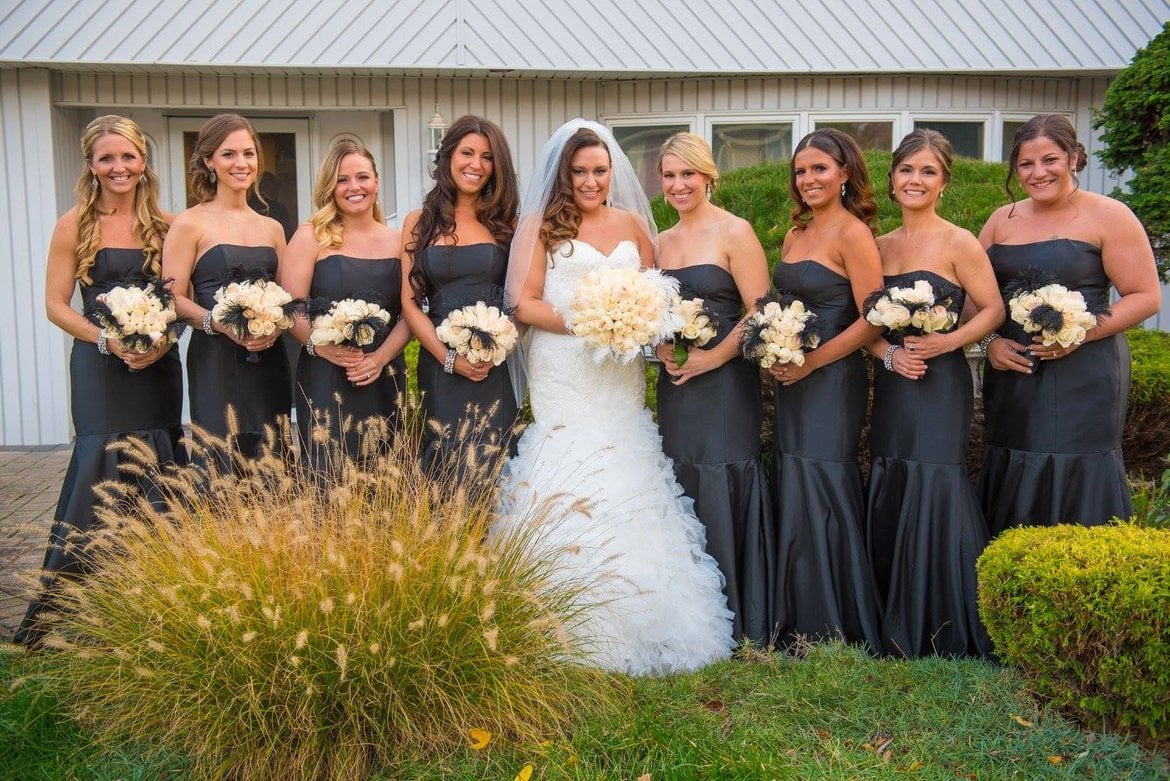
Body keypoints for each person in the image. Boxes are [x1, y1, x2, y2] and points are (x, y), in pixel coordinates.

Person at [497, 119, 735, 675]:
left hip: (619, 373)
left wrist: (639, 326)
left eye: (599, 171)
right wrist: (590, 323)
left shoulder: (632, 222)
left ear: (612, 173)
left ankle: (645, 617)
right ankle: (563, 618)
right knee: (568, 465)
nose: (589, 181)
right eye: (579, 171)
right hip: (566, 369)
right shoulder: (541, 226)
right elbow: (523, 303)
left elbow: (658, 296)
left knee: (626, 467)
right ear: (564, 173)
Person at [16, 116, 186, 646]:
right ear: (90, 165)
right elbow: (53, 305)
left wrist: (164, 339)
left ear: (144, 161)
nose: (119, 168)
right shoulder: (75, 224)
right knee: (100, 465)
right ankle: (69, 603)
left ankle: (152, 600)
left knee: (157, 464)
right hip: (98, 366)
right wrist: (106, 341)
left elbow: (176, 301)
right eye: (107, 158)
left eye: (128, 157)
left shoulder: (166, 225)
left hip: (157, 367)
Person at [978, 114, 1160, 533]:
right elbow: (976, 300)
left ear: (1074, 157)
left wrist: (1080, 334)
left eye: (1050, 160)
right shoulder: (999, 220)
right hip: (1014, 374)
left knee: (1074, 467)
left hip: (1085, 375)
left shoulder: (1111, 216)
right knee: (1012, 461)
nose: (1038, 173)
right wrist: (989, 342)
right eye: (1026, 164)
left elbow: (1145, 296)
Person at [864, 129, 1002, 658]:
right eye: (906, 170)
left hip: (941, 383)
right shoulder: (878, 246)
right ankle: (894, 612)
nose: (915, 180)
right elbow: (865, 325)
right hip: (896, 381)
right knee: (893, 467)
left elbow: (992, 310)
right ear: (893, 179)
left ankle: (945, 621)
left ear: (943, 181)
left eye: (928, 172)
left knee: (935, 476)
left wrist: (949, 343)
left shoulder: (959, 242)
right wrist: (889, 355)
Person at [653, 132, 773, 645]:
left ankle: (739, 613)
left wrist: (713, 358)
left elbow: (762, 309)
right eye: (669, 175)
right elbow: (649, 313)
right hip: (677, 381)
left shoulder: (735, 231)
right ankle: (694, 617)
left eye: (688, 174)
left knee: (723, 473)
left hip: (725, 382)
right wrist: (658, 346)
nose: (679, 185)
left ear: (708, 176)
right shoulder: (659, 241)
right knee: (680, 475)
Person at [768, 128, 884, 653]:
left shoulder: (853, 234)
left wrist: (812, 360)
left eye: (819, 169)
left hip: (832, 380)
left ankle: (836, 622)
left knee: (822, 480)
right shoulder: (797, 235)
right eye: (800, 171)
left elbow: (873, 321)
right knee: (794, 475)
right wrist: (772, 346)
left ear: (844, 174)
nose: (808, 179)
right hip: (792, 378)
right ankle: (797, 617)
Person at [163, 113, 291, 463]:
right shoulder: (189, 223)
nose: (241, 163)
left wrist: (275, 326)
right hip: (215, 360)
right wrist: (218, 323)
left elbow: (287, 298)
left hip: (268, 357)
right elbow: (171, 298)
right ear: (209, 160)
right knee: (220, 449)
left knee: (271, 450)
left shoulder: (273, 228)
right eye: (229, 154)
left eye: (249, 154)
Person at [280, 140, 410, 474]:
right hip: (326, 375)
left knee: (385, 473)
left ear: (376, 182)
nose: (354, 187)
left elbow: (410, 312)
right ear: (330, 187)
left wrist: (379, 359)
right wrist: (324, 349)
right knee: (327, 469)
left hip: (384, 376)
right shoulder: (311, 237)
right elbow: (291, 307)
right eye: (342, 179)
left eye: (362, 177)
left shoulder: (399, 242)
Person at [400, 115, 520, 474]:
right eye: (467, 152)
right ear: (448, 156)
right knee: (446, 461)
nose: (476, 165)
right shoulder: (418, 222)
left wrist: (500, 350)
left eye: (487, 157)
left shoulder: (509, 225)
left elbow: (520, 302)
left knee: (495, 459)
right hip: (440, 366)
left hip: (493, 368)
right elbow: (409, 302)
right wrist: (449, 359)